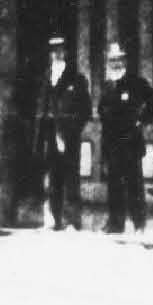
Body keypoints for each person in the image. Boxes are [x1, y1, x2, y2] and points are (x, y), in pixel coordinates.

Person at [33, 33, 92, 231]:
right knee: (53, 176)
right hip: (49, 133)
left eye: (60, 50)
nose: (56, 54)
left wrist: (71, 131)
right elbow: (41, 106)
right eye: (53, 51)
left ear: (66, 52)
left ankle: (72, 221)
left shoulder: (76, 78)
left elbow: (86, 111)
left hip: (69, 136)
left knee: (70, 177)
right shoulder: (45, 78)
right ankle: (54, 218)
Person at [98, 44, 153, 234]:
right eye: (112, 60)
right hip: (112, 142)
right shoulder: (107, 85)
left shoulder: (136, 82)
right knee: (114, 185)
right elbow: (102, 110)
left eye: (118, 60)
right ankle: (116, 224)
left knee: (134, 185)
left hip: (131, 141)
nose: (115, 63)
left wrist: (143, 120)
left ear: (124, 61)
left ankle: (139, 223)